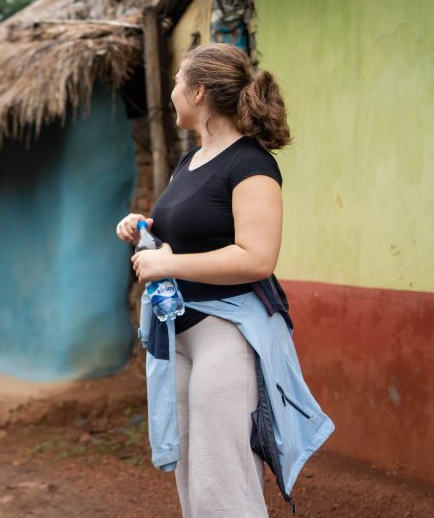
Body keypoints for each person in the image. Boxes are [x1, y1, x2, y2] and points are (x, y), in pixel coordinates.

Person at [116, 42, 291, 517]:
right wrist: (143, 227)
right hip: (179, 334)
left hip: (225, 335)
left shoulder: (251, 164)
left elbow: (257, 258)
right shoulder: (188, 162)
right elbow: (190, 236)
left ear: (196, 92)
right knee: (192, 475)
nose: (171, 91)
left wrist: (168, 265)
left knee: (223, 478)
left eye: (176, 82)